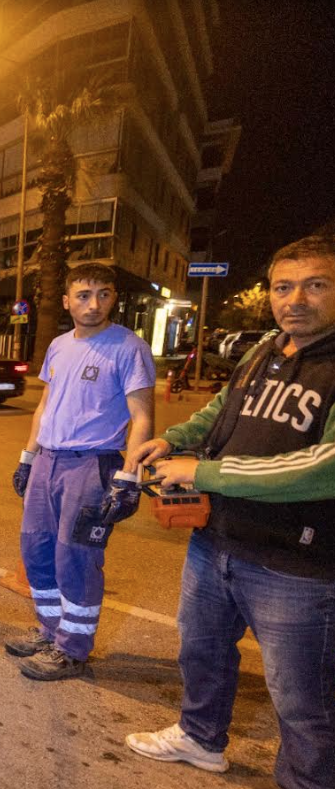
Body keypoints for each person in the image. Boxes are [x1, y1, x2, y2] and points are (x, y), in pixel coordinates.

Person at [125, 235, 335, 787]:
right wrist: (173, 440)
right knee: (203, 651)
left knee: (304, 700)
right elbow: (223, 410)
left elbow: (326, 466)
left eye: (316, 285)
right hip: (216, 541)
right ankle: (200, 739)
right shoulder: (264, 348)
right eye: (283, 287)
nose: (296, 300)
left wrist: (204, 473)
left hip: (297, 564)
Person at [7, 263, 155, 680]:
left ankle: (72, 650)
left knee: (76, 557)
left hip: (93, 462)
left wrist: (129, 477)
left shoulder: (128, 347)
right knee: (36, 549)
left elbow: (142, 416)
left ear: (114, 298)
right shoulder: (57, 345)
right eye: (84, 295)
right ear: (67, 300)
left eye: (103, 294)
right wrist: (27, 457)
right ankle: (50, 631)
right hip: (48, 460)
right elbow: (45, 406)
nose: (94, 303)